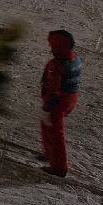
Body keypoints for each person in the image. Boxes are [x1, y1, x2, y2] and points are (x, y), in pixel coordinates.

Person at [40, 29, 82, 177]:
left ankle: (59, 168)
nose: (50, 49)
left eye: (52, 45)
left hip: (58, 103)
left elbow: (53, 90)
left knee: (56, 133)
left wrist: (47, 108)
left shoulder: (57, 64)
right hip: (71, 97)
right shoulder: (74, 57)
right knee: (47, 126)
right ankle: (49, 153)